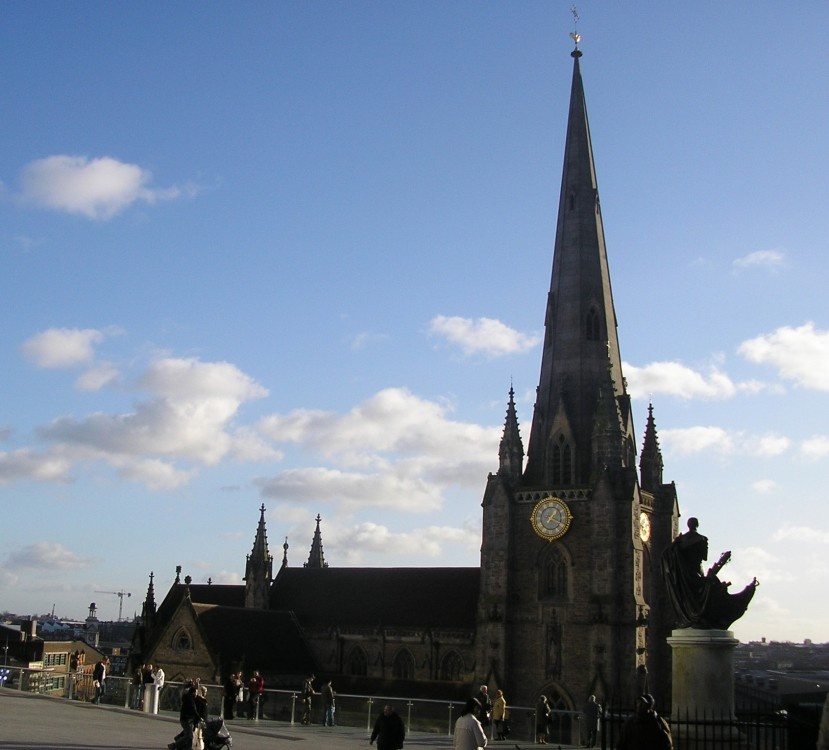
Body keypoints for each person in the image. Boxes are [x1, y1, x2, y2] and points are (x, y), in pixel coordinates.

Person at [169, 681, 202, 750]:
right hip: (186, 719)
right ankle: (174, 745)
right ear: (193, 693)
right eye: (196, 693)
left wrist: (197, 685)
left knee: (189, 735)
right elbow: (193, 709)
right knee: (189, 736)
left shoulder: (188, 697)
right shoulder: (190, 700)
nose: (196, 694)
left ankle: (187, 747)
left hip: (185, 719)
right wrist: (198, 717)